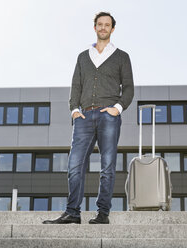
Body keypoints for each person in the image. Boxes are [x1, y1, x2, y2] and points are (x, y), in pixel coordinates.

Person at [43, 12, 134, 224]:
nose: (103, 28)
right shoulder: (83, 56)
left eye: (107, 25)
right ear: (95, 28)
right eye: (100, 24)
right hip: (84, 116)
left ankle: (103, 214)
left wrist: (117, 108)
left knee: (107, 166)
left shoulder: (122, 57)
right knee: (74, 165)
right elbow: (76, 85)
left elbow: (129, 88)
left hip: (108, 115)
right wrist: (74, 110)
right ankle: (73, 213)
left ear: (112, 29)